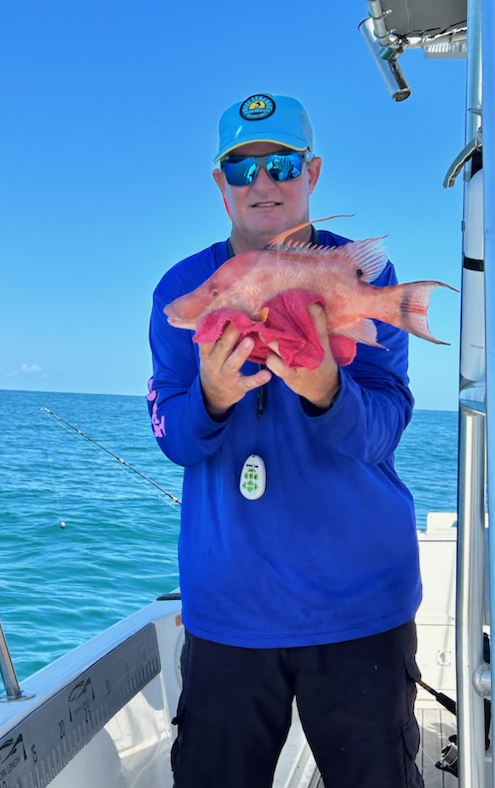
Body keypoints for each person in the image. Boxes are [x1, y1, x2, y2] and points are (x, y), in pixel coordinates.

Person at [147, 92, 424, 788]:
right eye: (242, 169)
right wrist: (211, 399)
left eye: (281, 163)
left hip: (362, 603)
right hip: (230, 613)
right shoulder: (182, 289)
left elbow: (388, 423)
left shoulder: (364, 276)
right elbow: (175, 438)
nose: (263, 183)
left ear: (313, 171)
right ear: (220, 184)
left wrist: (328, 391)